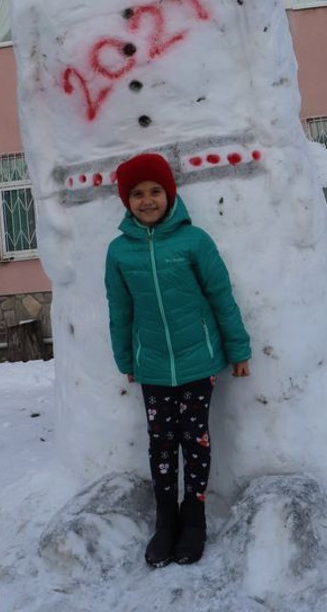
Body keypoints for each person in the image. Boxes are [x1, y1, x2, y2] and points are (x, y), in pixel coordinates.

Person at [105, 152, 251, 567]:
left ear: (169, 195)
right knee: (162, 443)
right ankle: (166, 520)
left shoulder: (194, 242)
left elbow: (221, 296)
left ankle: (195, 517)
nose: (147, 200)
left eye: (155, 191)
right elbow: (120, 310)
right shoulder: (119, 252)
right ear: (126, 201)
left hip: (197, 361)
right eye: (137, 194)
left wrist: (238, 350)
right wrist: (124, 359)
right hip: (151, 364)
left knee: (196, 438)